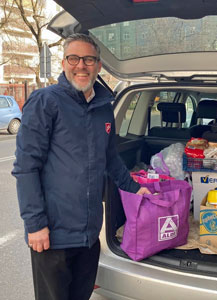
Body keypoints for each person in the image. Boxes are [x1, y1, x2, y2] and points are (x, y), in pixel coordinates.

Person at [12, 33, 150, 300]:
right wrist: (35, 225)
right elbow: (26, 168)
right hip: (52, 237)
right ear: (64, 63)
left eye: (88, 59)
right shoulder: (45, 102)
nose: (81, 66)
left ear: (98, 66)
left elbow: (110, 159)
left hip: (89, 237)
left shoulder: (103, 108)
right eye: (74, 58)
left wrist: (135, 189)